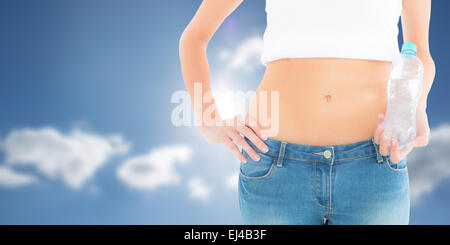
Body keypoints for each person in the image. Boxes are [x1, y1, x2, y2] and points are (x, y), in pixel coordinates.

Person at [179, 0, 435, 225]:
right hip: (274, 166)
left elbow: (420, 51)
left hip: (375, 163)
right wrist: (208, 121)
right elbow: (194, 38)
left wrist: (418, 106)